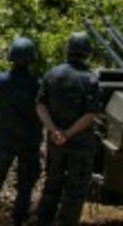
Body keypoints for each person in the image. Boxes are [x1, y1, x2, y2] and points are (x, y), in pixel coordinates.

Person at [0, 36, 43, 226]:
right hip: (29, 140)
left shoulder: (0, 80)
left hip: (6, 137)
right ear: (31, 58)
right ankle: (19, 219)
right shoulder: (37, 84)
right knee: (25, 183)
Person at [35, 32, 100, 226]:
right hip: (80, 146)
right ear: (87, 53)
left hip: (56, 144)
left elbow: (40, 105)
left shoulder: (52, 74)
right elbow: (91, 114)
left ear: (68, 50)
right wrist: (68, 133)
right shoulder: (90, 80)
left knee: (51, 187)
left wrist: (54, 131)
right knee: (75, 191)